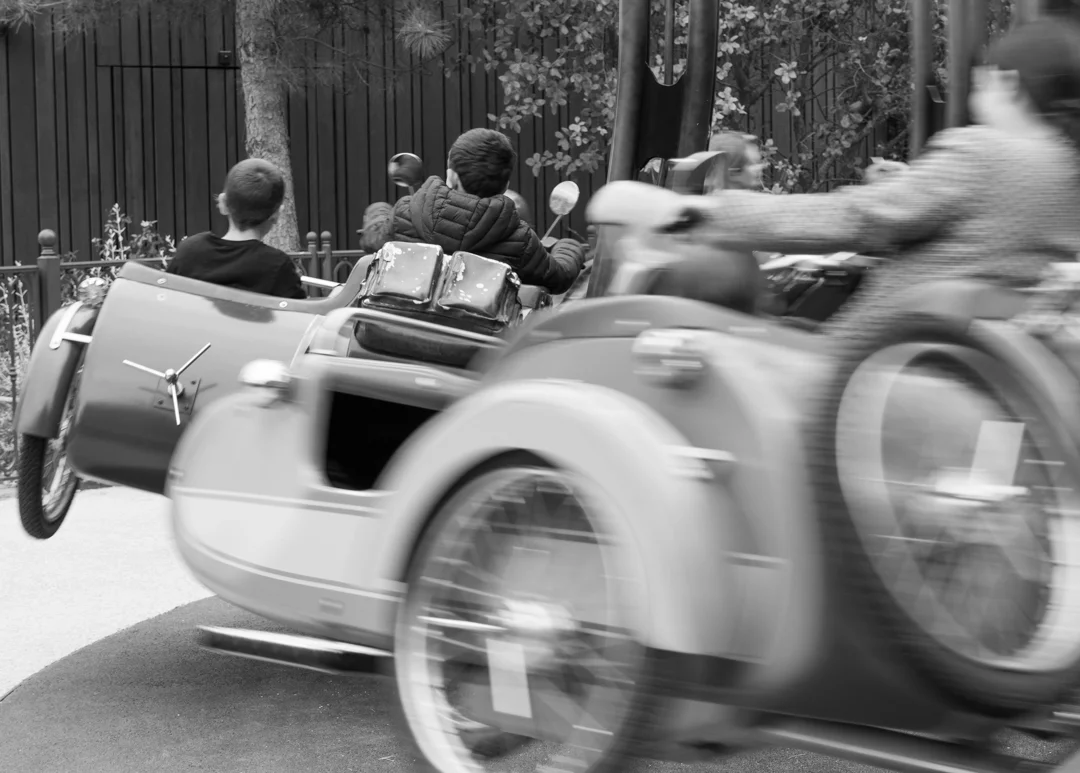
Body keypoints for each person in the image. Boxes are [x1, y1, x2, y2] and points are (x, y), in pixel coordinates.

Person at [642, 15, 1080, 334]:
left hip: (880, 366)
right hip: (965, 364)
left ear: (1007, 83)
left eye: (982, 83)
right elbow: (983, 227)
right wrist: (911, 182)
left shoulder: (982, 152)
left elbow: (858, 218)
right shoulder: (1063, 170)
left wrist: (703, 211)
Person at [387, 128, 585, 294]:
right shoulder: (518, 240)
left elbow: (372, 239)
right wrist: (569, 246)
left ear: (451, 176)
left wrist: (377, 211)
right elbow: (560, 276)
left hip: (393, 333)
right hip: (475, 339)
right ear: (505, 185)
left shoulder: (405, 213)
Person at [166, 159, 305, 300]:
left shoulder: (190, 251)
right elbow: (298, 316)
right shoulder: (278, 266)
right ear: (276, 215)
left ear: (223, 204)